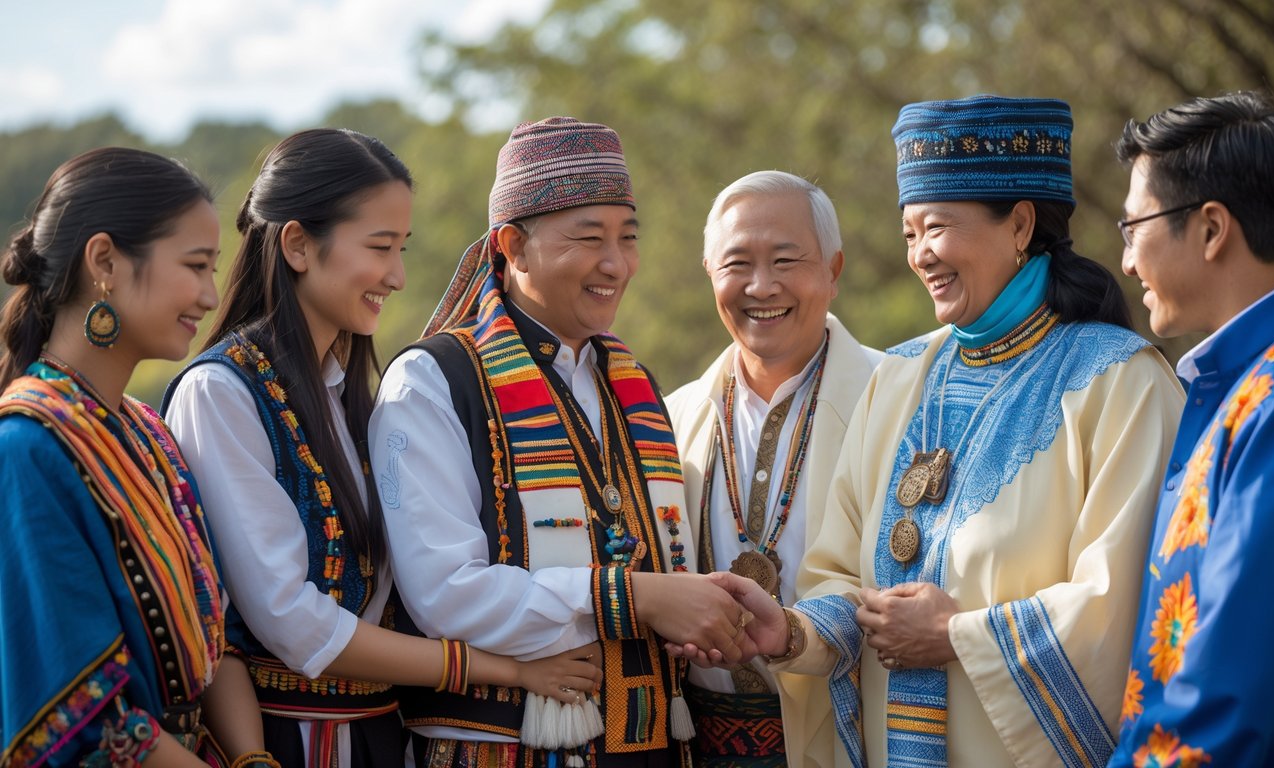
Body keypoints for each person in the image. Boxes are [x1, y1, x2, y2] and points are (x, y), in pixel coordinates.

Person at [678, 95, 1187, 767]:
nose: (920, 255)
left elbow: (1120, 608)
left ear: (1019, 225)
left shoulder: (1120, 383)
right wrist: (792, 632)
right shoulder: (899, 375)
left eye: (936, 228)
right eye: (908, 233)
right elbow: (841, 577)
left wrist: (959, 634)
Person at [162, 129, 601, 768]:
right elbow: (291, 619)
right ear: (297, 245)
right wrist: (502, 668)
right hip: (291, 738)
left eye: (402, 249)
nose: (396, 275)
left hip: (378, 734)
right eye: (379, 247)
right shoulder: (219, 394)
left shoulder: (351, 395)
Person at [369, 116, 755, 768]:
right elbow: (443, 595)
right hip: (502, 747)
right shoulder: (434, 380)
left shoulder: (625, 381)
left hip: (651, 742)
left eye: (627, 239)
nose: (615, 263)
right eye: (588, 238)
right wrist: (635, 598)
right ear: (512, 246)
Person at [0, 147, 271, 766]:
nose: (210, 296)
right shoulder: (28, 449)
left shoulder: (149, 433)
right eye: (196, 266)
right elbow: (86, 720)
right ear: (105, 262)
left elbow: (215, 641)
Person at [1108, 92, 1274, 766]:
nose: (1124, 262)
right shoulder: (1253, 388)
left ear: (1210, 229)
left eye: (1131, 228)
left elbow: (1229, 699)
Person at [665, 171, 883, 768]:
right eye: (738, 263)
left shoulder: (899, 400)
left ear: (833, 271)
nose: (762, 286)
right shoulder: (670, 417)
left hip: (852, 736)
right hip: (697, 745)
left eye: (786, 259)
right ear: (709, 272)